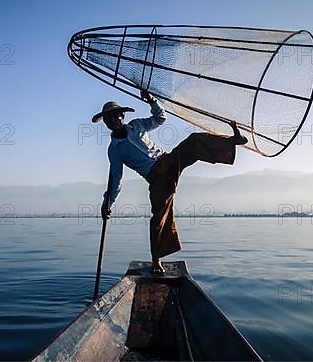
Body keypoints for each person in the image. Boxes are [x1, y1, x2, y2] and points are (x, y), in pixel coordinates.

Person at [93, 89, 248, 274]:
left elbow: (160, 118)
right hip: (156, 178)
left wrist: (152, 101)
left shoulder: (137, 126)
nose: (112, 121)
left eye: (115, 116)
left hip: (168, 160)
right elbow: (116, 179)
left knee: (194, 141)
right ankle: (156, 260)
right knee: (158, 218)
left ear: (122, 116)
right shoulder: (114, 150)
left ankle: (232, 141)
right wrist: (107, 202)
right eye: (108, 119)